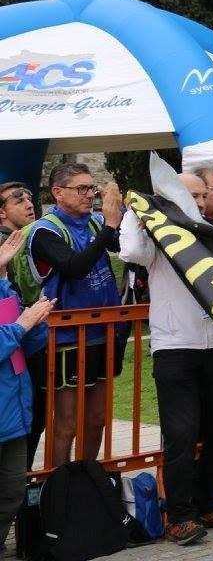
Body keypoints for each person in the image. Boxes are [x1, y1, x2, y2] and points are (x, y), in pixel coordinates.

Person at [118, 174, 213, 546]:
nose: (198, 202)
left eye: (202, 195)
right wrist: (136, 211)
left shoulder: (210, 231)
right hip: (175, 346)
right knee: (182, 432)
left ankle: (208, 503)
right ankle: (179, 515)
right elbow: (131, 254)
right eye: (190, 195)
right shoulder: (158, 233)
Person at [21, 164, 124, 463]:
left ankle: (88, 479)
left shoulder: (93, 222)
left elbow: (124, 246)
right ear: (57, 192)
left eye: (91, 188)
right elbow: (75, 267)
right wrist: (109, 226)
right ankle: (59, 487)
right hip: (67, 337)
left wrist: (118, 214)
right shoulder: (45, 230)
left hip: (103, 332)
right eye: (81, 189)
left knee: (97, 418)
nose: (89, 195)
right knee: (67, 424)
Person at [0, 233, 50, 547]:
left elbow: (25, 344)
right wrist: (22, 325)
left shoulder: (6, 289)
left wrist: (36, 320)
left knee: (12, 492)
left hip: (13, 414)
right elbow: (12, 332)